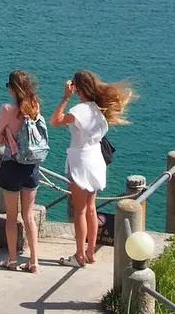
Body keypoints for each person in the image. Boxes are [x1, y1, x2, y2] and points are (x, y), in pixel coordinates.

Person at [50, 69, 133, 268]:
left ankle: (79, 255)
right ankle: (90, 252)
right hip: (96, 160)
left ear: (77, 87)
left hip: (81, 161)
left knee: (79, 211)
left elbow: (54, 120)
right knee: (91, 208)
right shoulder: (99, 109)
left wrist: (65, 97)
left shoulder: (79, 110)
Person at [0, 70, 45, 272]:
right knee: (29, 216)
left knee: (12, 217)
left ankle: (12, 260)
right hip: (31, 167)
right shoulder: (34, 106)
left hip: (12, 166)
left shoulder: (7, 109)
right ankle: (34, 262)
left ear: (12, 88)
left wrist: (6, 135)